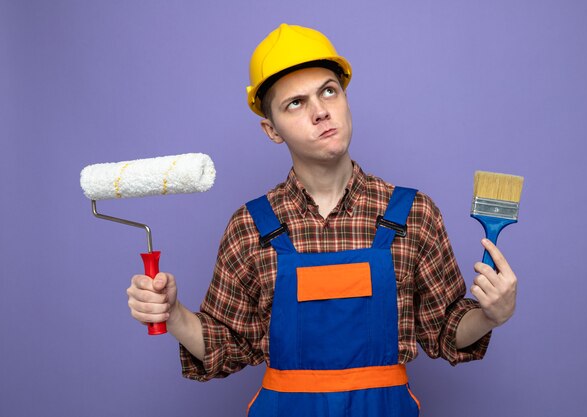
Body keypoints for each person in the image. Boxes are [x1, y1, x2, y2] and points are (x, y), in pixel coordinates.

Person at [127, 23, 518, 416]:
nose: (320, 112)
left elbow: (446, 331)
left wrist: (489, 315)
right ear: (271, 130)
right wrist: (174, 314)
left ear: (345, 98)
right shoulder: (250, 228)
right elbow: (226, 346)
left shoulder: (413, 214)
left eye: (328, 90)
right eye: (295, 103)